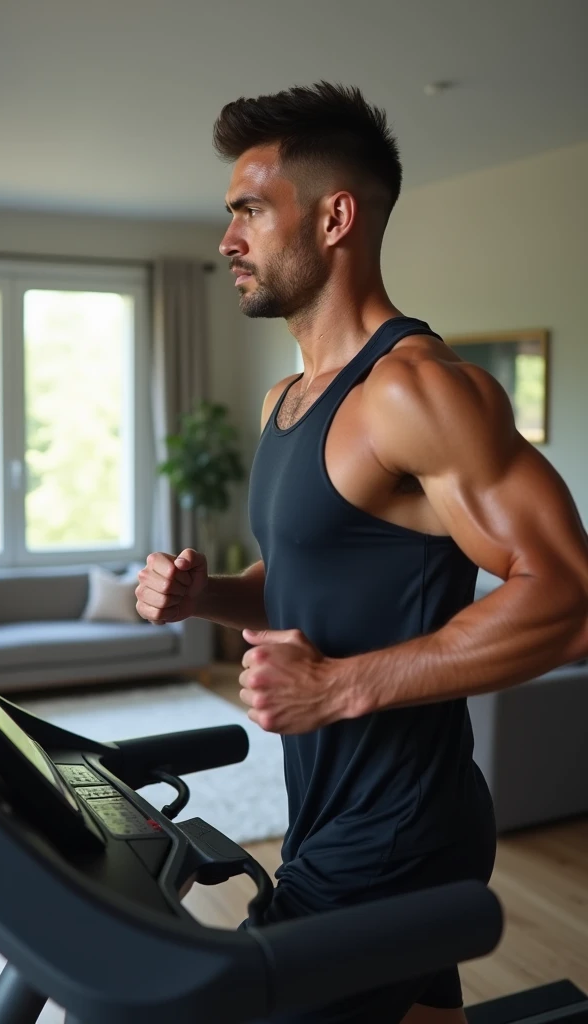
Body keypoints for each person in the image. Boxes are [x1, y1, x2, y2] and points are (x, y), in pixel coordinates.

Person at [135, 82, 588, 1024]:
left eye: (251, 210)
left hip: (396, 830)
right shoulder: (286, 401)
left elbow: (570, 598)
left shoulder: (417, 391)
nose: (228, 241)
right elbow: (307, 585)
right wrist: (207, 596)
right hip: (330, 811)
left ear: (336, 216)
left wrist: (341, 687)